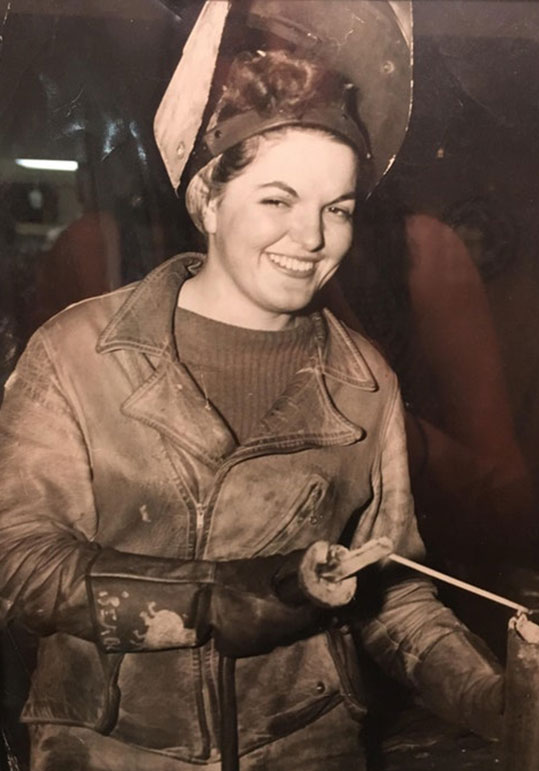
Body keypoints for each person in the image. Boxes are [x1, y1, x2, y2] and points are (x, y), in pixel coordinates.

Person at [0, 9, 503, 771]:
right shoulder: (77, 354)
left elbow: (392, 591)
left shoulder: (364, 382)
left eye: (336, 208)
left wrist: (492, 697)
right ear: (207, 201)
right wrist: (211, 598)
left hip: (307, 748)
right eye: (277, 199)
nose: (311, 237)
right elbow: (22, 561)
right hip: (107, 751)